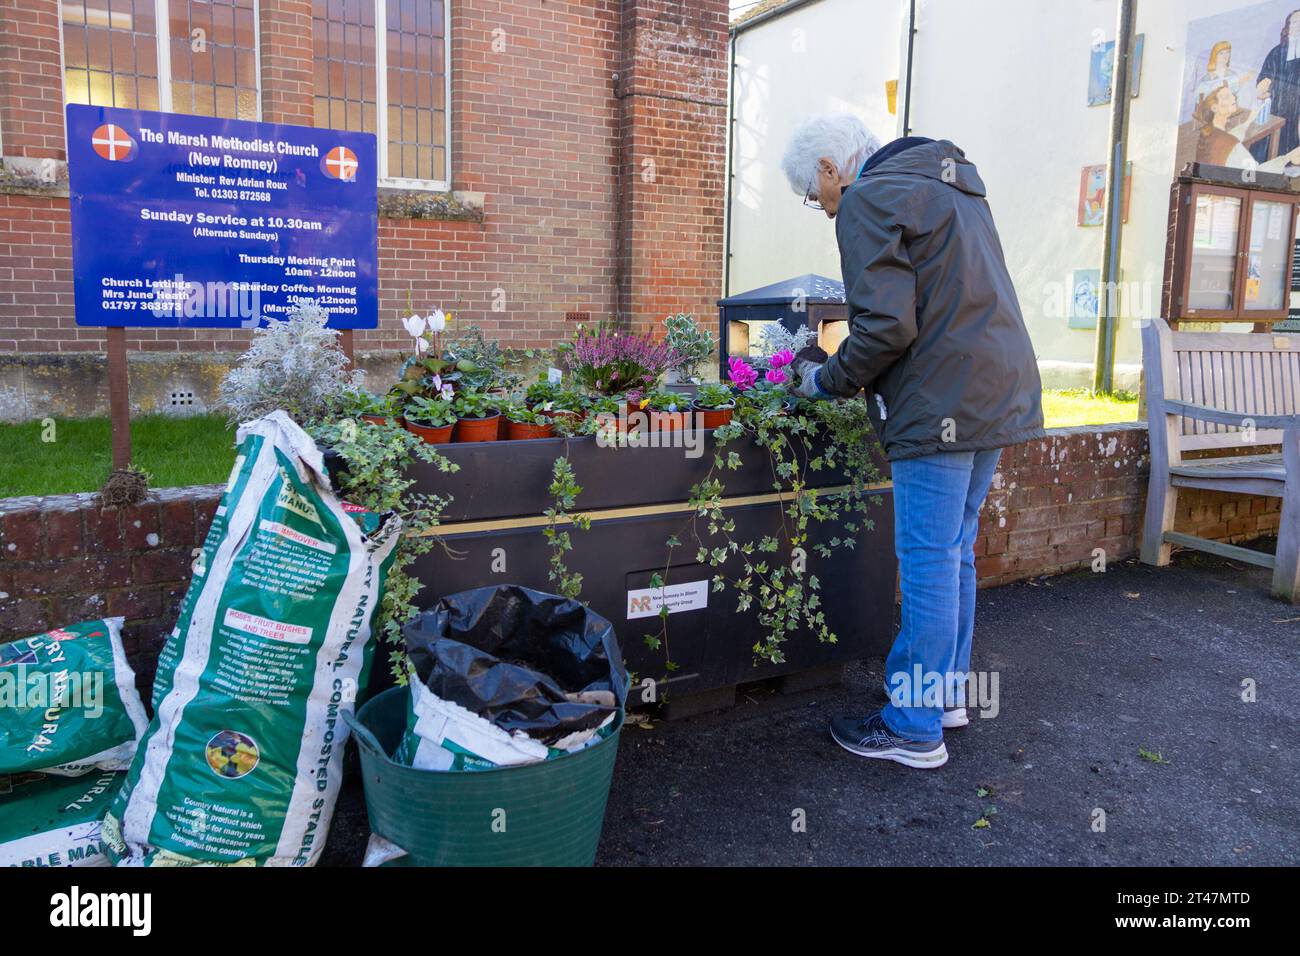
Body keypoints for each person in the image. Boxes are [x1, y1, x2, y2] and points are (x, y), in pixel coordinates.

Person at [781, 113, 1044, 769]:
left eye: (817, 199)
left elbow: (884, 330)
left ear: (828, 170)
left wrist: (822, 381)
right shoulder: (949, 182)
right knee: (955, 551)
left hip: (940, 401)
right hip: (998, 387)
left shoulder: (869, 198)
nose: (824, 211)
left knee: (928, 561)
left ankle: (912, 728)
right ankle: (945, 698)